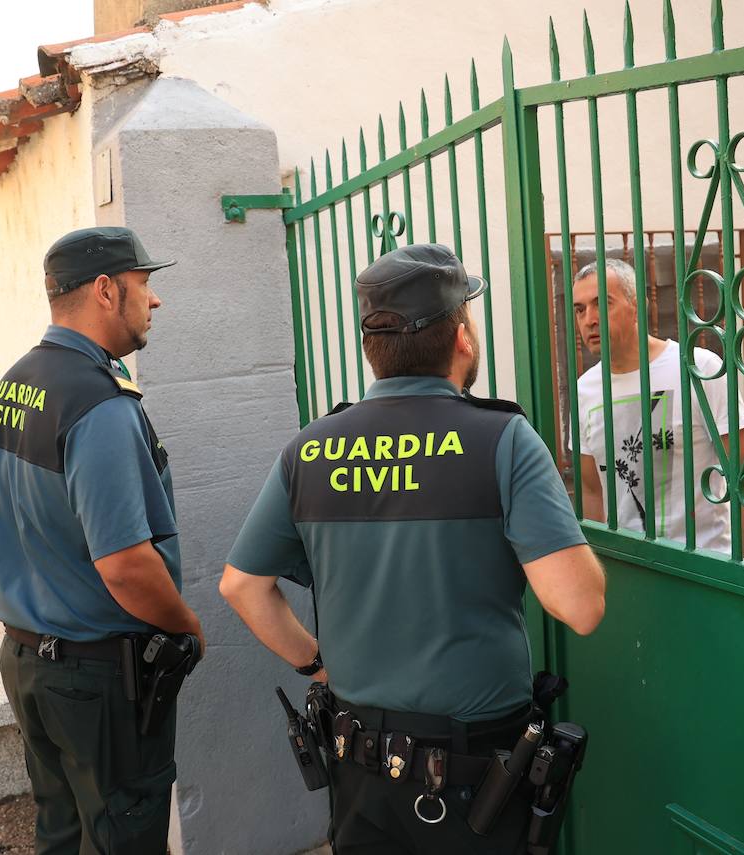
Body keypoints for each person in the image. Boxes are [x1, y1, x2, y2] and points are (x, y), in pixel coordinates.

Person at [221, 243, 607, 854]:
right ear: (461, 338)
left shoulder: (311, 449)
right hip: (472, 777)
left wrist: (313, 664)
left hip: (358, 767)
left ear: (374, 350)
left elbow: (241, 587)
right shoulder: (501, 439)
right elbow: (580, 606)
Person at [0, 226, 203, 854]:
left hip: (28, 665)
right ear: (106, 289)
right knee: (124, 835)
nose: (153, 300)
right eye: (144, 284)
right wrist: (186, 628)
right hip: (96, 678)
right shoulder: (99, 402)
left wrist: (53, 578)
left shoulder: (16, 382)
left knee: (63, 834)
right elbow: (126, 565)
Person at [571, 258, 744, 561]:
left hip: (705, 568)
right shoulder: (584, 390)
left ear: (636, 305)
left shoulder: (699, 369)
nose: (590, 319)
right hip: (633, 573)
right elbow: (592, 492)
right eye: (580, 309)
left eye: (603, 304)